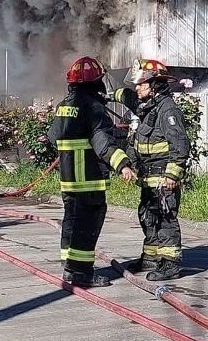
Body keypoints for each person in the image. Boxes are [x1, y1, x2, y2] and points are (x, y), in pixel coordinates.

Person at [48, 56, 135, 288]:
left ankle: (68, 265)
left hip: (68, 180)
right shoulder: (94, 108)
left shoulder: (63, 106)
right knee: (87, 224)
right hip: (88, 179)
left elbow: (52, 137)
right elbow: (102, 141)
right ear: (96, 82)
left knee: (71, 220)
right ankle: (80, 272)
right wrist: (123, 164)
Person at [114, 58, 190, 281]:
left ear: (155, 85)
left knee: (165, 220)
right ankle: (151, 258)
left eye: (142, 84)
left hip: (163, 179)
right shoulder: (148, 109)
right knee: (148, 217)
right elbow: (139, 143)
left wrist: (172, 175)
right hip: (148, 178)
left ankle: (170, 264)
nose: (137, 88)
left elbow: (180, 145)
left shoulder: (168, 110)